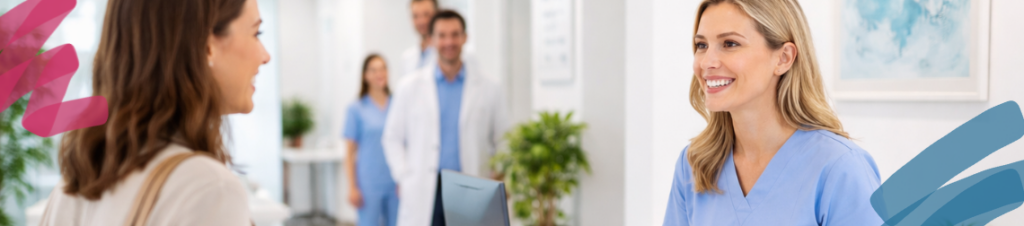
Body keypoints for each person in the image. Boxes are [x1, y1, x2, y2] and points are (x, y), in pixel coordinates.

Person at [39, 0, 270, 225]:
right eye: (255, 34)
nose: (265, 56)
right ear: (207, 46)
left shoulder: (74, 186)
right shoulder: (209, 189)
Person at [662, 0, 883, 225]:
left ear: (783, 58)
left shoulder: (840, 168)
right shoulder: (695, 164)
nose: (707, 62)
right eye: (701, 45)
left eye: (729, 43)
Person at [382, 10, 508, 226]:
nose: (449, 42)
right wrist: (405, 175)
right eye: (442, 35)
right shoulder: (409, 86)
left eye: (455, 34)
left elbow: (504, 138)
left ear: (465, 38)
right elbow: (392, 137)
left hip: (470, 187)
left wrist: (498, 175)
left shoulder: (489, 87)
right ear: (430, 40)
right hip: (424, 186)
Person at [344, 54, 399, 226]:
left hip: (395, 181)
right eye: (373, 70)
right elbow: (349, 153)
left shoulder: (398, 104)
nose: (379, 73)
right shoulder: (356, 109)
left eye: (383, 68)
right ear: (365, 76)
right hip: (368, 184)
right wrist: (352, 187)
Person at [400, 0, 438, 80]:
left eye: (426, 14)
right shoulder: (407, 57)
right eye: (415, 16)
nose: (421, 21)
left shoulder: (450, 53)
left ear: (437, 15)